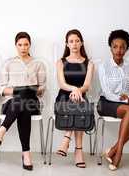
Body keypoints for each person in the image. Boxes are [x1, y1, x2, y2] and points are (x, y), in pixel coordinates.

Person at [0, 32, 46, 171]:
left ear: (30, 45)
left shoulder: (38, 64)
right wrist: (19, 91)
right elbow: (3, 89)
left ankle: (2, 130)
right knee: (22, 101)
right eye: (20, 45)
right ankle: (26, 154)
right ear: (16, 45)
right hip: (10, 103)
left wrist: (30, 90)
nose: (23, 47)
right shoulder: (8, 63)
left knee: (26, 99)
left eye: (26, 44)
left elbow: (42, 88)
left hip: (33, 102)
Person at [97, 29, 129, 171]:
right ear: (111, 47)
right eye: (115, 46)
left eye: (122, 47)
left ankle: (113, 149)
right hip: (106, 103)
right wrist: (127, 101)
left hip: (126, 104)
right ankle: (118, 153)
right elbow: (107, 92)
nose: (118, 50)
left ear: (127, 49)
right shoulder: (103, 66)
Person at [55, 29, 94, 168]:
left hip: (80, 97)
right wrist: (75, 89)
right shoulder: (60, 62)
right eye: (71, 41)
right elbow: (62, 84)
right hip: (63, 98)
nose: (74, 44)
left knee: (78, 102)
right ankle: (78, 152)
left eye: (77, 41)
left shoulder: (89, 63)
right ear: (67, 44)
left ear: (82, 43)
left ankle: (66, 140)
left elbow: (87, 85)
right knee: (77, 104)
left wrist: (78, 91)